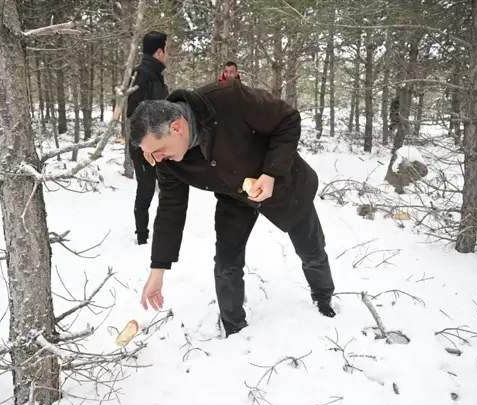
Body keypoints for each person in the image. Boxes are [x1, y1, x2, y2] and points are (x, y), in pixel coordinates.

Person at [128, 79, 337, 337]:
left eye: (158, 151)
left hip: (283, 186)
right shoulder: (168, 160)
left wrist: (271, 173)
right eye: (151, 154)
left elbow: (288, 119)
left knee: (311, 250)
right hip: (234, 198)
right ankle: (234, 328)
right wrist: (157, 270)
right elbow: (170, 209)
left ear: (177, 127)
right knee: (226, 265)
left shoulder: (229, 99)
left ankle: (324, 298)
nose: (157, 159)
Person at [125, 30, 170, 245]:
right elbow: (132, 112)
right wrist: (145, 143)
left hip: (160, 143)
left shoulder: (155, 75)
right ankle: (141, 236)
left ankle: (163, 230)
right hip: (144, 144)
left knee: (166, 185)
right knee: (146, 187)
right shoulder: (142, 74)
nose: (168, 55)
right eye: (166, 50)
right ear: (159, 51)